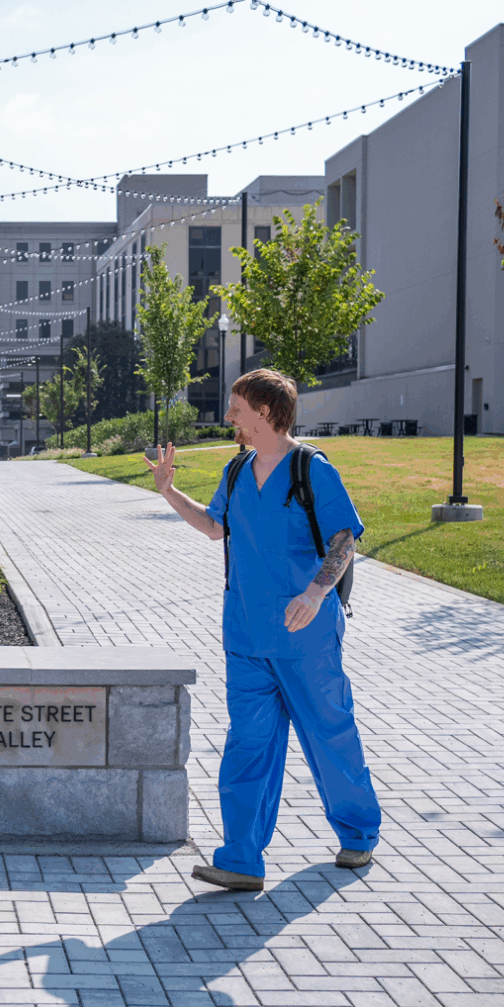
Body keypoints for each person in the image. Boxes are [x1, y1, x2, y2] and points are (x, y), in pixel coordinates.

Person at [146, 369, 381, 891]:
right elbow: (214, 526)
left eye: (236, 408)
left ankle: (360, 833)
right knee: (248, 745)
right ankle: (242, 859)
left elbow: (345, 539)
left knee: (328, 734)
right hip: (247, 637)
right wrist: (168, 491)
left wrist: (317, 592)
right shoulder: (236, 471)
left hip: (306, 636)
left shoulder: (311, 469)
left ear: (265, 412)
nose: (229, 417)